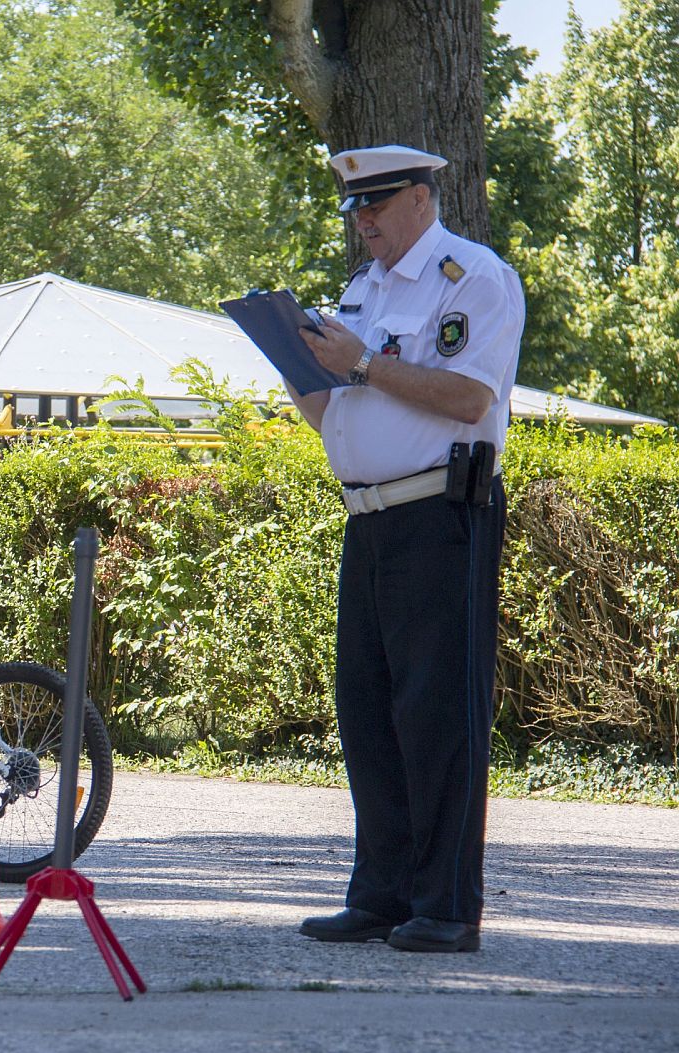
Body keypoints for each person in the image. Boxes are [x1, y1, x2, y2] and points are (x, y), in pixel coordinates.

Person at [289, 145, 523, 954]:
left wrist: (364, 362)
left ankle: (448, 905)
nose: (364, 222)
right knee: (368, 710)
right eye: (355, 208)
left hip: (439, 514)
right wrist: (300, 368)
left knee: (436, 715)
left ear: (422, 198)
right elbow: (343, 413)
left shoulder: (472, 278)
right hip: (372, 517)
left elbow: (466, 397)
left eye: (377, 204)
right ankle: (383, 893)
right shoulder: (366, 288)